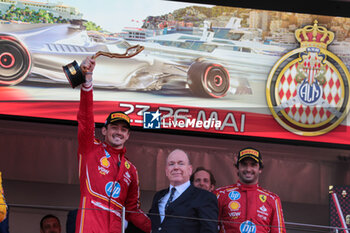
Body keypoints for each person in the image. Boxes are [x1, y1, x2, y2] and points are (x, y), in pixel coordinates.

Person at [75, 57, 151, 233]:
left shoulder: (131, 170)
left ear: (128, 135)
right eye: (114, 127)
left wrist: (160, 228)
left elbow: (133, 211)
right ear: (104, 131)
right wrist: (87, 82)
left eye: (123, 130)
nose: (119, 132)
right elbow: (85, 118)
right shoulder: (90, 149)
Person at [214, 147, 286, 233]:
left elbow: (279, 231)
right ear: (237, 168)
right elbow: (210, 228)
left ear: (260, 169)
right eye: (244, 164)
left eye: (253, 165)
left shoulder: (273, 199)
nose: (248, 169)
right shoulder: (220, 194)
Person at [149, 149, 218, 233]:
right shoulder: (159, 196)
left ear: (190, 169)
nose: (176, 167)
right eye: (171, 164)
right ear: (166, 171)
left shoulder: (205, 197)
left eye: (181, 163)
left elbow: (209, 231)